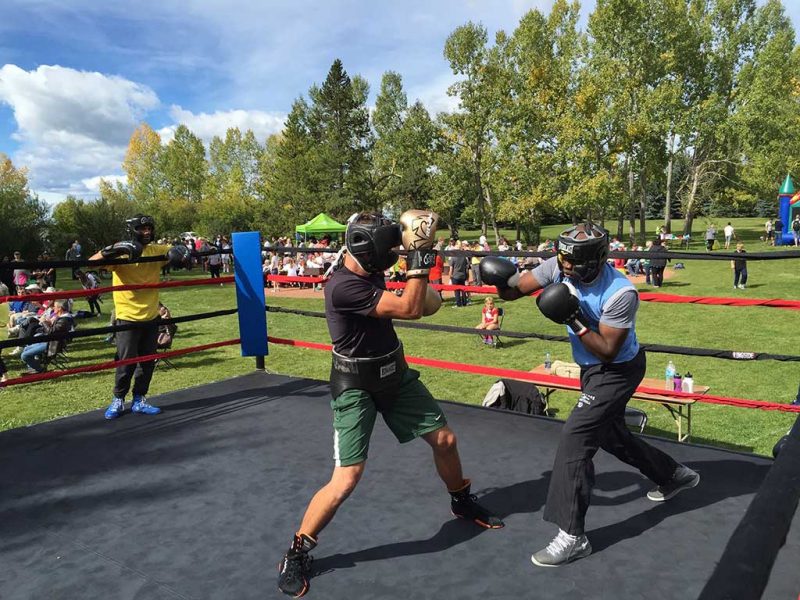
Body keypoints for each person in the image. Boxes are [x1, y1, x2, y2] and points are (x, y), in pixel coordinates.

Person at [276, 211, 503, 598]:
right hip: (355, 385)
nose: (394, 254)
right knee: (347, 477)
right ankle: (297, 550)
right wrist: (420, 259)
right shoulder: (343, 287)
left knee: (445, 440)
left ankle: (461, 500)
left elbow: (428, 304)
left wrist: (418, 262)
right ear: (370, 251)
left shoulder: (370, 271)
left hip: (394, 374)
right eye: (390, 249)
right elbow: (411, 309)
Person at [479, 222, 698, 568]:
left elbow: (608, 350)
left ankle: (573, 536)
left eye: (572, 263)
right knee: (610, 435)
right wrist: (500, 279)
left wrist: (573, 317)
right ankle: (672, 474)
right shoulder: (559, 265)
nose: (565, 267)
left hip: (617, 370)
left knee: (576, 438)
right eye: (562, 260)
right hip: (591, 368)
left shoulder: (620, 293)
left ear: (595, 260)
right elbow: (516, 290)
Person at [89, 215, 184, 420]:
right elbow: (90, 264)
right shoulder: (121, 254)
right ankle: (118, 399)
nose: (147, 232)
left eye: (149, 228)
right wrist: (112, 249)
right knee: (126, 362)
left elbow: (175, 250)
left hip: (151, 316)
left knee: (147, 362)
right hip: (127, 317)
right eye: (142, 229)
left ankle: (139, 399)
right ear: (132, 230)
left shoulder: (156, 250)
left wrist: (181, 252)